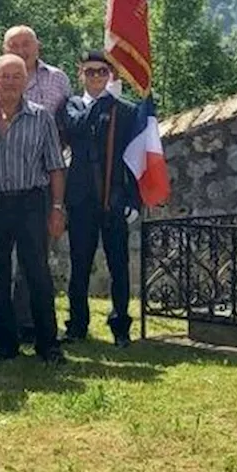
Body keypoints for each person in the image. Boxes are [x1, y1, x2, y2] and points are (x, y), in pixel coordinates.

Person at [0, 26, 73, 346]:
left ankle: (47, 343)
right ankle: (5, 343)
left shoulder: (41, 117)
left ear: (25, 81)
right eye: (5, 77)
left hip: (31, 201)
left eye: (17, 77)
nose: (11, 82)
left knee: (37, 273)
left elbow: (56, 165)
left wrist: (56, 207)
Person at [57, 50, 142, 348]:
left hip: (114, 196)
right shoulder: (70, 106)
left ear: (110, 75)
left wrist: (134, 198)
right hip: (80, 199)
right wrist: (106, 102)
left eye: (101, 72)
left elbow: (133, 158)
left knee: (118, 264)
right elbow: (77, 126)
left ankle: (120, 327)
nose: (96, 77)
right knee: (80, 264)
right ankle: (77, 325)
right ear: (80, 73)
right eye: (90, 72)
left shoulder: (127, 111)